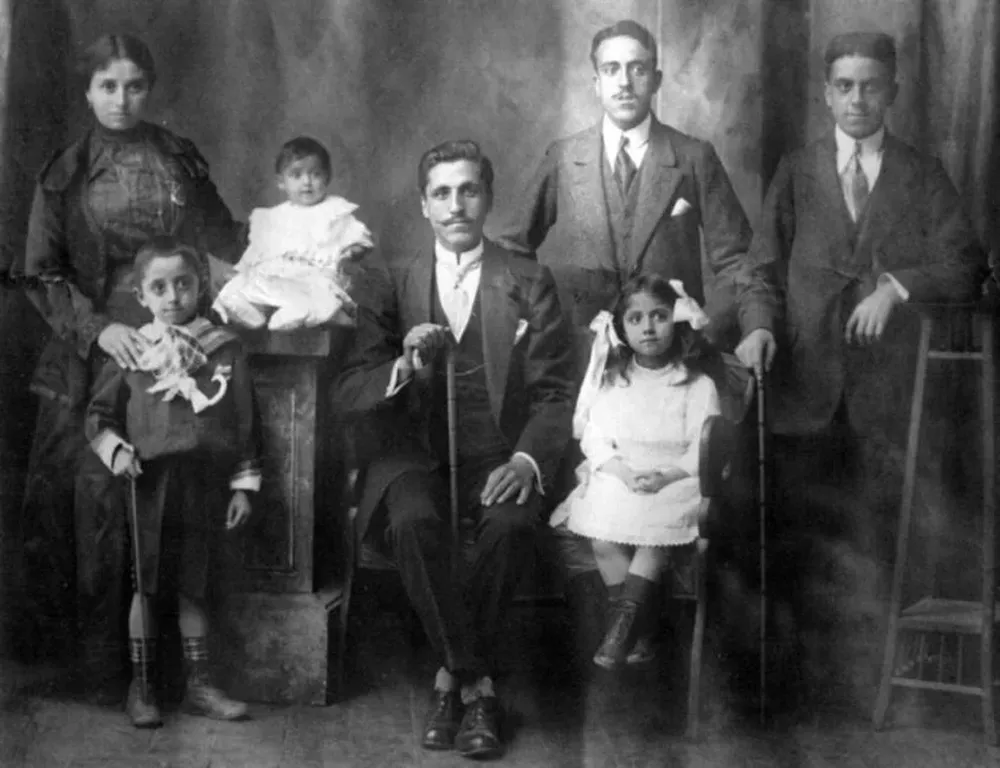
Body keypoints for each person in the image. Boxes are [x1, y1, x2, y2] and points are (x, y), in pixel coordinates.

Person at [500, 17, 777, 664]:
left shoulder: (694, 157)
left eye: (638, 68)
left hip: (665, 364)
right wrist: (515, 317)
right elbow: (514, 246)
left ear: (656, 76)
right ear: (594, 81)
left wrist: (759, 323)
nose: (625, 81)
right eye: (612, 69)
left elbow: (738, 260)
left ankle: (639, 627)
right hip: (579, 359)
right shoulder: (563, 156)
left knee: (663, 489)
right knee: (588, 498)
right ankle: (603, 638)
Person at [746, 31, 986, 703]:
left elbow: (966, 260)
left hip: (888, 394)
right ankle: (801, 692)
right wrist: (760, 330)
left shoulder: (920, 172)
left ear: (893, 93)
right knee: (799, 537)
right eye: (845, 86)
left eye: (871, 85)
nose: (857, 98)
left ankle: (869, 690)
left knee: (879, 537)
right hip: (804, 386)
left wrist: (895, 287)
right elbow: (760, 270)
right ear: (827, 94)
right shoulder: (797, 170)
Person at [12, 32, 245, 698]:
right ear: (87, 92)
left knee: (184, 486)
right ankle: (107, 669)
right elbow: (41, 273)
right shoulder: (65, 171)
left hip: (177, 324)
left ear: (151, 88)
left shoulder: (179, 160)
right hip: (96, 343)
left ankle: (181, 669)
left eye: (134, 85)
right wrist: (99, 328)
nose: (121, 99)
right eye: (106, 86)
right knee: (98, 496)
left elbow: (220, 242)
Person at [334, 139, 574, 759]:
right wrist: (404, 366)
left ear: (488, 199)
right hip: (412, 454)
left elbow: (554, 392)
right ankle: (477, 682)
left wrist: (525, 460)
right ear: (423, 205)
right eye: (442, 192)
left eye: (469, 190)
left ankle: (449, 681)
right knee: (412, 522)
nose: (456, 204)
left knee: (512, 526)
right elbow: (352, 387)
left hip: (498, 454)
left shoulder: (528, 279)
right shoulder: (389, 279)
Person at [85, 237, 260, 727]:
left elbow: (246, 422)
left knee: (194, 587)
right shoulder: (131, 350)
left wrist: (243, 486)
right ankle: (141, 690)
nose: (173, 296)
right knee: (146, 586)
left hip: (203, 482)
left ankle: (199, 688)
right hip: (148, 483)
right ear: (141, 297)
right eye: (158, 287)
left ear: (200, 286)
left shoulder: (224, 349)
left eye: (183, 284)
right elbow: (98, 416)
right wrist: (117, 452)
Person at [551, 274, 720, 670]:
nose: (648, 327)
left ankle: (621, 629)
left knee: (654, 527)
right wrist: (621, 472)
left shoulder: (696, 384)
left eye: (659, 316)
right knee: (602, 526)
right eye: (636, 319)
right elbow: (595, 437)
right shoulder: (614, 382)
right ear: (622, 329)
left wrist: (668, 475)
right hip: (626, 473)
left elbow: (707, 447)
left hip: (677, 477)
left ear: (675, 321)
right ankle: (636, 630)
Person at [213, 136, 374, 331]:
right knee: (246, 285)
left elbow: (358, 240)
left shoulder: (335, 212)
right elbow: (257, 250)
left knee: (315, 296)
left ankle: (297, 312)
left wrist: (349, 254)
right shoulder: (271, 217)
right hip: (276, 274)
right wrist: (242, 269)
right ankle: (252, 314)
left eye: (315, 174)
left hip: (312, 275)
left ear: (328, 177)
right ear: (281, 182)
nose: (307, 182)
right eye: (296, 175)